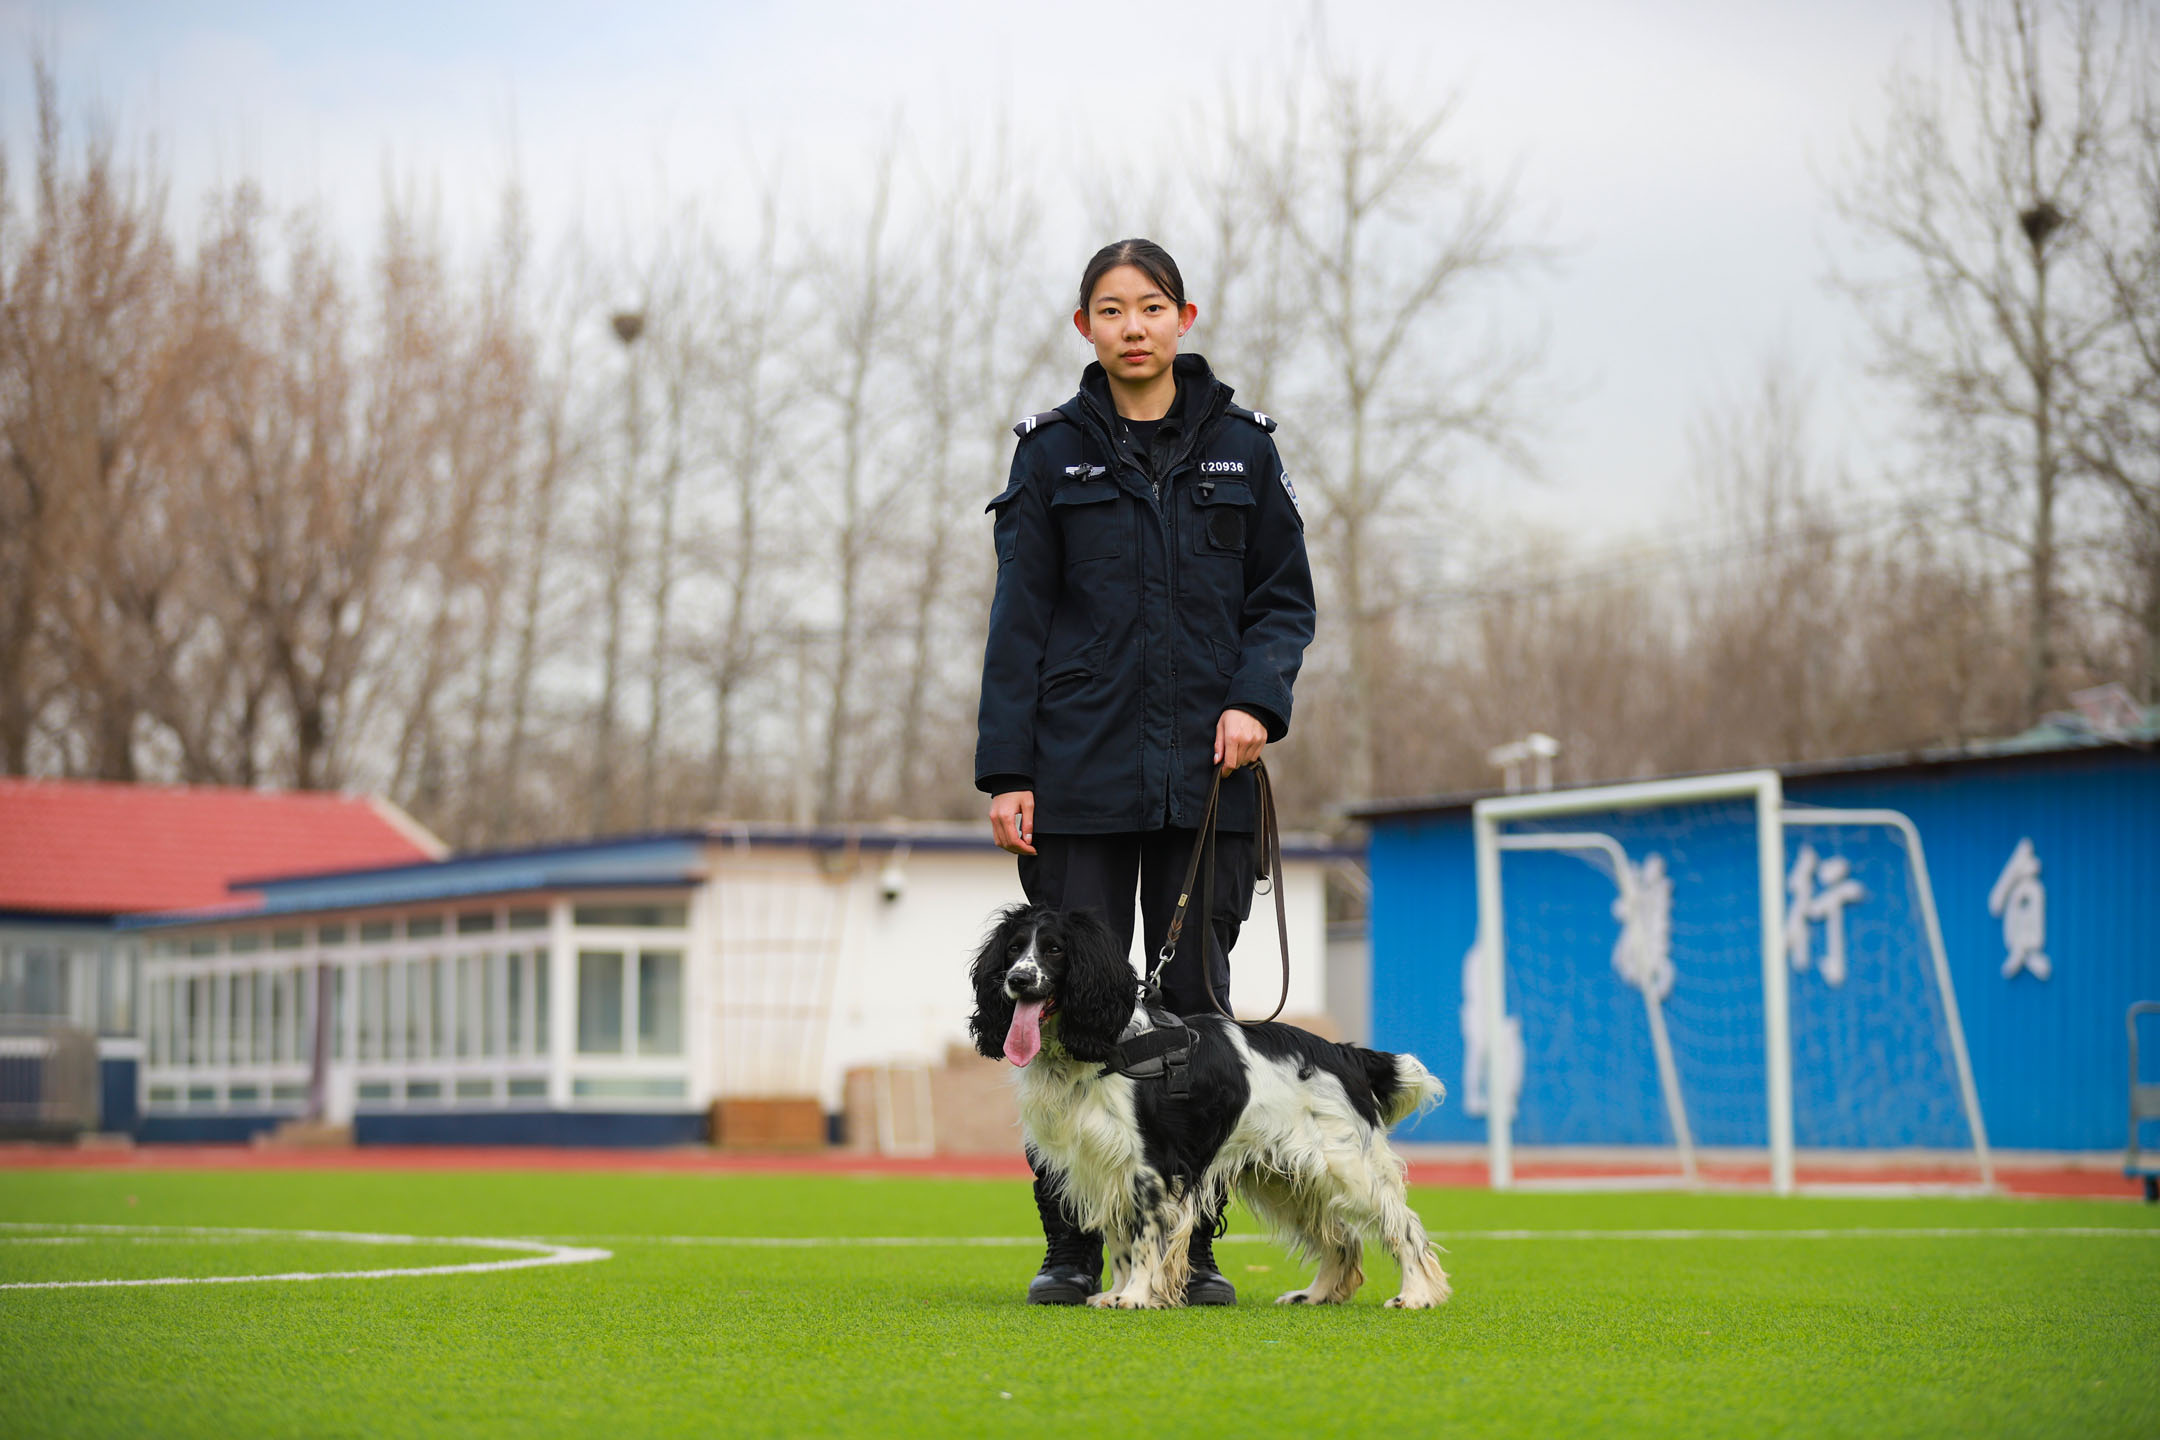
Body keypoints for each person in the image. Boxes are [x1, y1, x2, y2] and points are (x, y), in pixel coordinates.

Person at [976, 238, 1316, 1305]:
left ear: (1185, 317)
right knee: (1066, 1006)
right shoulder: (1049, 455)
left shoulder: (1245, 452)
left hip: (1203, 783)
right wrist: (1008, 773)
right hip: (1074, 779)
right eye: (1112, 309)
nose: (1134, 325)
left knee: (1192, 1012)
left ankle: (1186, 1248)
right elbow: (1018, 623)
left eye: (1152, 306)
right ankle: (1074, 1247)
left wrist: (1256, 701)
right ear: (1085, 326)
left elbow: (1283, 602)